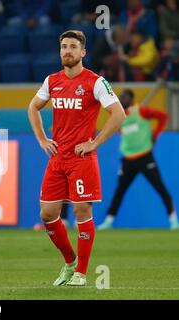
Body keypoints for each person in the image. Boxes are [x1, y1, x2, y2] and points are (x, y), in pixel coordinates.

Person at [27, 31, 126, 286]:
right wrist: (41, 139)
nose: (67, 51)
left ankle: (81, 273)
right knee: (47, 214)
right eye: (63, 47)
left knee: (82, 211)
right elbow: (33, 107)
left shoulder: (96, 82)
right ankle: (69, 262)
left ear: (83, 52)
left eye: (73, 47)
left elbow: (118, 114)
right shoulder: (52, 81)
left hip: (82, 159)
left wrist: (95, 142)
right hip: (58, 158)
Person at [97, 89, 178, 230]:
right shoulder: (117, 115)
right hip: (128, 159)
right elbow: (118, 130)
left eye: (125, 97)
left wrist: (155, 135)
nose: (122, 98)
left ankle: (173, 220)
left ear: (132, 99)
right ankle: (109, 221)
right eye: (121, 96)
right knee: (120, 191)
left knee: (160, 187)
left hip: (144, 156)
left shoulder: (141, 111)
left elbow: (163, 116)